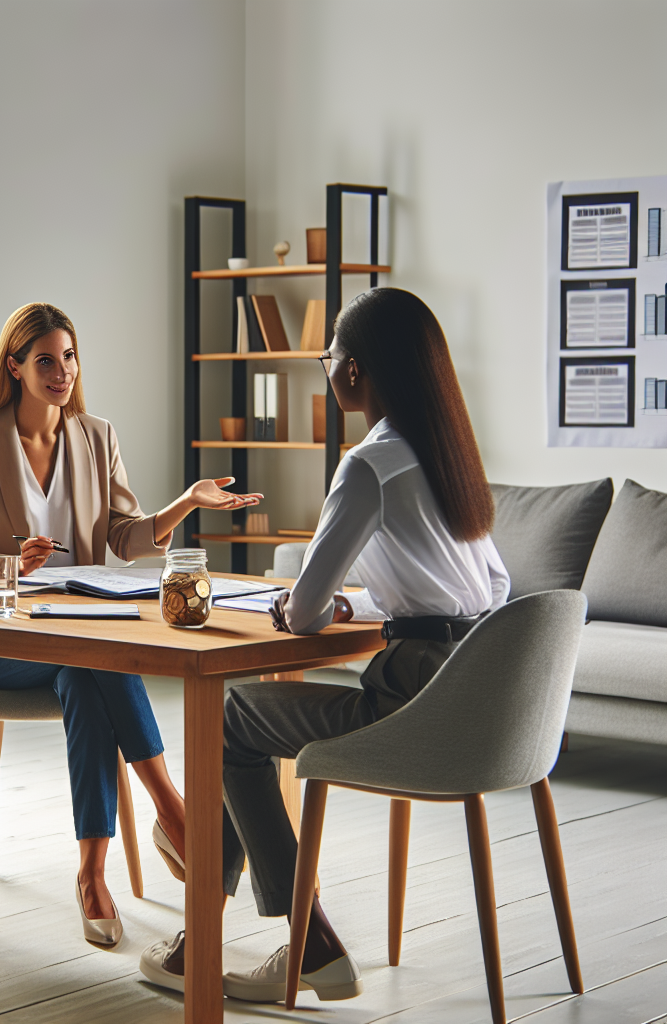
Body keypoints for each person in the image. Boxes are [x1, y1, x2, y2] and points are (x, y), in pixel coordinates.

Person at [139, 287, 510, 1002]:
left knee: (224, 718)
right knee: (236, 727)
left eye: (329, 354)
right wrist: (359, 602)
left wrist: (309, 604)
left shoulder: (367, 465)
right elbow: (486, 588)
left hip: (411, 698)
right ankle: (207, 932)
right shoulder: (449, 453)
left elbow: (303, 613)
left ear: (354, 372)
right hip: (477, 696)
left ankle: (307, 942)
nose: (326, 366)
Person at [0, 301, 261, 947]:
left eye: (69, 357)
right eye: (45, 360)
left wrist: (185, 502)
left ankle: (91, 871)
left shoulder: (96, 435)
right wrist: (6, 561)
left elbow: (124, 535)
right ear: (14, 366)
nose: (62, 371)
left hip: (78, 636)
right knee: (93, 660)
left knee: (86, 669)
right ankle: (173, 809)